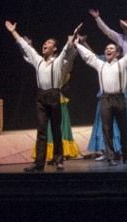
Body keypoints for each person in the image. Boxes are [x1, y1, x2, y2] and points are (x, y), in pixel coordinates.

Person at [5, 20, 79, 172]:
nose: (45, 44)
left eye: (49, 43)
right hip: (41, 97)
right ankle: (39, 163)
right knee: (41, 130)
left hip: (54, 95)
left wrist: (72, 39)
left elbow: (67, 50)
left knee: (56, 130)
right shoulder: (38, 60)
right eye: (44, 42)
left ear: (54, 49)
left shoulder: (58, 61)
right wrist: (13, 31)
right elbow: (25, 46)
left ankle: (59, 160)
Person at [74, 28, 127, 165]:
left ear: (117, 53)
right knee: (107, 128)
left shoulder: (123, 63)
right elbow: (89, 56)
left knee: (123, 128)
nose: (108, 50)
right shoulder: (101, 64)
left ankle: (126, 154)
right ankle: (110, 156)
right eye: (106, 48)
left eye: (111, 48)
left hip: (120, 98)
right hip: (105, 99)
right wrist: (77, 45)